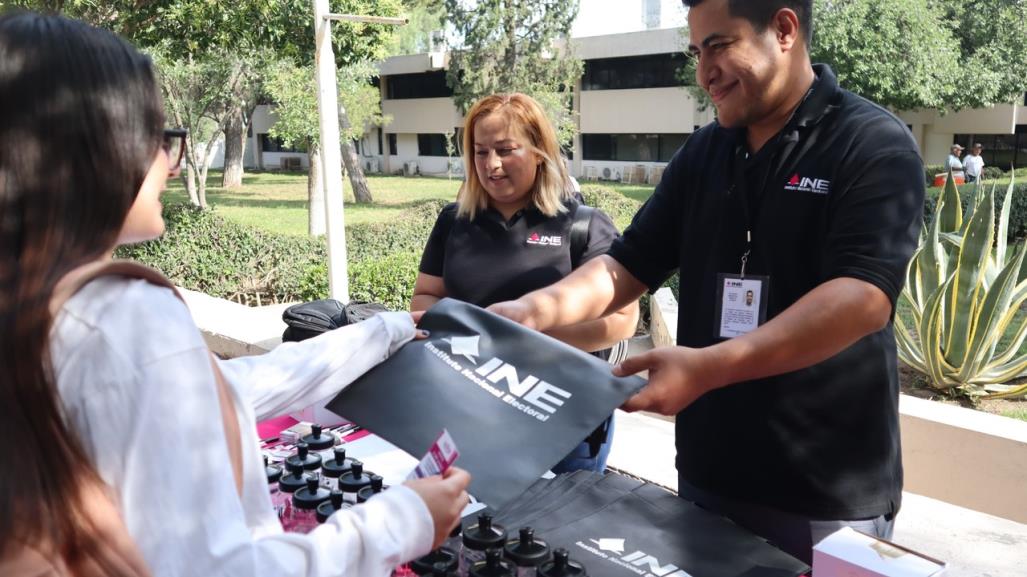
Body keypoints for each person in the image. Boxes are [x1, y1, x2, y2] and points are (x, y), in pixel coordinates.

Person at [0, 12, 469, 577]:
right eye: (157, 138)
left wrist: (384, 330)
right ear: (96, 150)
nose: (169, 165)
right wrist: (400, 522)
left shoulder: (34, 305)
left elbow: (224, 391)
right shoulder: (123, 316)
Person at [487, 0, 923, 564]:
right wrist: (530, 311)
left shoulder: (871, 144)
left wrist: (709, 367)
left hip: (826, 499)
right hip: (708, 478)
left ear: (784, 30)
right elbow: (625, 267)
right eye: (696, 52)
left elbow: (863, 298)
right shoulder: (704, 152)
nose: (703, 72)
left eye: (719, 46)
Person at [411, 93, 639, 473]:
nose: (491, 165)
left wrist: (523, 339)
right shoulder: (453, 222)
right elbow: (426, 296)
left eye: (506, 149)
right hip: (471, 407)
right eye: (480, 152)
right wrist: (472, 330)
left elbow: (623, 321)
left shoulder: (582, 225)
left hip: (565, 416)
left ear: (539, 151)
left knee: (558, 527)